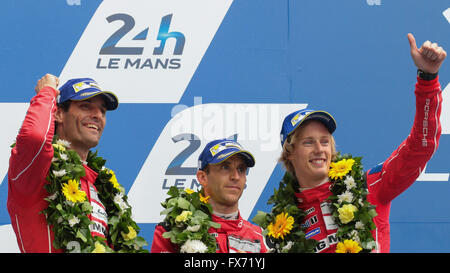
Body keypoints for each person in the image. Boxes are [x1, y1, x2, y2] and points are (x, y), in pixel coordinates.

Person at [277, 33, 446, 253]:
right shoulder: (280, 228)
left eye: (325, 141)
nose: (319, 149)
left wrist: (428, 78)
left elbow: (420, 148)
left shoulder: (369, 188)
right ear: (290, 152)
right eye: (308, 142)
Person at [7, 74, 143, 253]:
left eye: (102, 111)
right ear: (58, 114)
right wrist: (47, 93)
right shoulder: (37, 171)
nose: (97, 115)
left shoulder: (103, 185)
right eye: (85, 106)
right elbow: (35, 137)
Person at [151, 139, 269, 253]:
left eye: (241, 169)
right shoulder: (173, 232)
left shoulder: (262, 237)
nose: (236, 176)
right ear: (203, 177)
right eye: (225, 167)